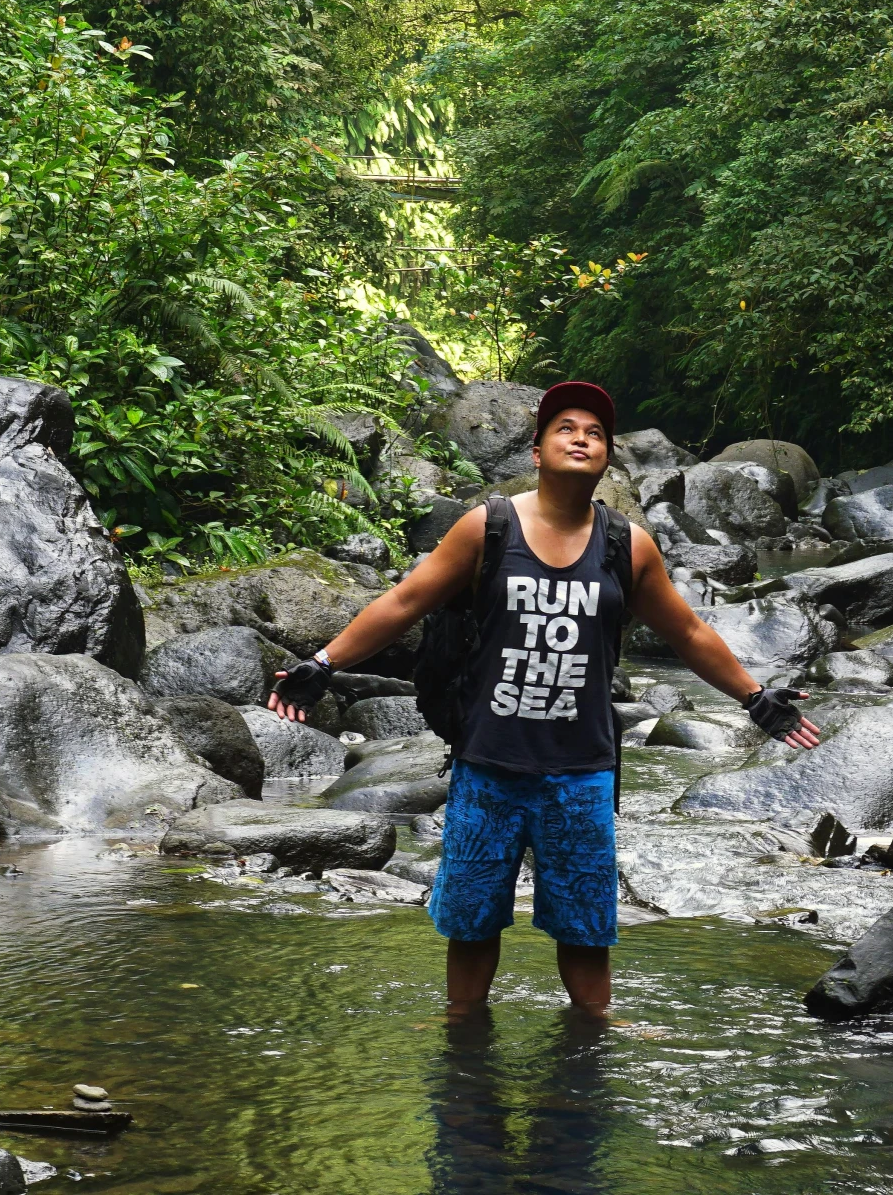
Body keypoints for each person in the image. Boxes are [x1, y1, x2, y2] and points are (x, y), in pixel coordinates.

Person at [266, 381, 823, 1017]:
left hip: (582, 774)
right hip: (488, 767)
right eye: (566, 428)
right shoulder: (490, 527)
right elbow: (404, 601)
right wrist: (324, 662)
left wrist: (755, 697)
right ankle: (466, 1062)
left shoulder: (625, 545)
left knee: (585, 933)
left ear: (608, 457)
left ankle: (586, 1065)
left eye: (594, 432)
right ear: (536, 451)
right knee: (471, 927)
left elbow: (689, 632)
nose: (581, 437)